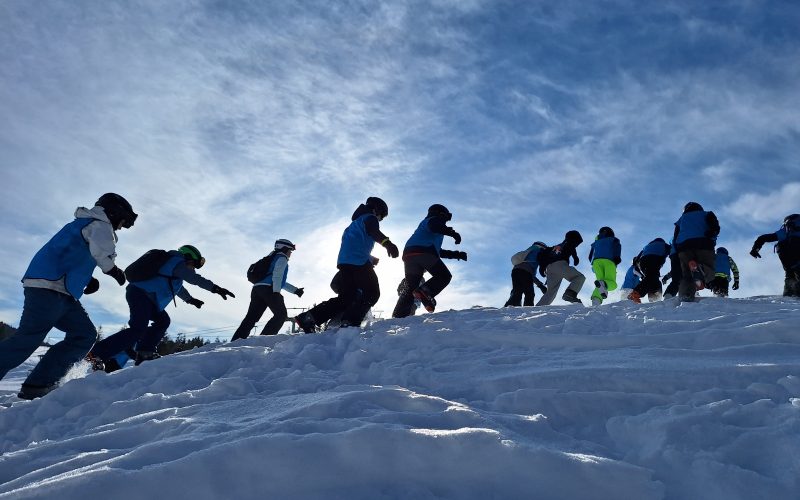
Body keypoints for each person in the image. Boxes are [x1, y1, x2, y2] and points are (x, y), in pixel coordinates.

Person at [0, 193, 136, 399]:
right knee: (28, 338)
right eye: (122, 222)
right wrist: (113, 270)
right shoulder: (100, 224)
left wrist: (85, 279)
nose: (119, 227)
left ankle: (39, 384)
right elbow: (102, 252)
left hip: (61, 289)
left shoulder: (84, 224)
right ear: (114, 213)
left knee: (84, 335)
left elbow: (68, 252)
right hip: (50, 287)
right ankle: (38, 383)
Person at [88, 245, 235, 371]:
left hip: (147, 297)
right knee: (138, 328)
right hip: (141, 294)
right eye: (194, 265)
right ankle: (96, 353)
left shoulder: (173, 266)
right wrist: (216, 288)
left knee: (163, 321)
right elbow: (195, 280)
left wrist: (191, 300)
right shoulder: (178, 262)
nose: (193, 269)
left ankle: (145, 352)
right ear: (188, 258)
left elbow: (178, 288)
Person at [295, 197, 399, 332]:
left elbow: (353, 245)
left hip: (345, 263)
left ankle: (309, 317)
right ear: (376, 209)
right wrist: (388, 244)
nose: (381, 219)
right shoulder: (370, 218)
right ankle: (350, 322)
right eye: (382, 215)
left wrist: (370, 258)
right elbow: (374, 232)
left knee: (346, 298)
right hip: (358, 262)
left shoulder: (354, 224)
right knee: (372, 293)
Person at [392, 204, 467, 317]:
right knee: (444, 276)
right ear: (441, 214)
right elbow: (434, 226)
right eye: (446, 218)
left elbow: (438, 252)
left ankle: (398, 316)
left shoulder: (425, 228)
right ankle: (426, 291)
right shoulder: (434, 220)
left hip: (409, 254)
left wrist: (457, 255)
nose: (446, 222)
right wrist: (453, 233)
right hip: (423, 252)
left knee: (411, 288)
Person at [231, 239, 303, 341]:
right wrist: (276, 293)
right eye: (290, 250)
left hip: (257, 289)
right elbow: (277, 276)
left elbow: (277, 279)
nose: (291, 253)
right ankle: (263, 340)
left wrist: (295, 290)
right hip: (269, 290)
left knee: (251, 317)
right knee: (281, 315)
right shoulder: (282, 259)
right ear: (285, 248)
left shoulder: (270, 258)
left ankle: (236, 340)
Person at [673, 202, 720, 302]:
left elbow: (675, 237)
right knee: (710, 271)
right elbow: (715, 227)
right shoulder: (707, 214)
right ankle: (700, 268)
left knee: (686, 275)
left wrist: (678, 251)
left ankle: (685, 296)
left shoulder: (681, 219)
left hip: (683, 247)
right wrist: (712, 234)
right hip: (704, 244)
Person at [750, 214, 800, 297]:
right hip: (797, 259)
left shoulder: (783, 232)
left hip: (787, 260)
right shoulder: (795, 231)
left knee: (790, 276)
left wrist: (755, 250)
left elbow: (762, 238)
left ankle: (788, 297)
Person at [536, 230, 585, 305]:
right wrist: (575, 257)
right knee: (579, 277)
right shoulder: (569, 242)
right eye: (577, 242)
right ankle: (570, 294)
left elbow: (542, 256)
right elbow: (571, 247)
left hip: (549, 269)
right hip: (560, 265)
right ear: (574, 239)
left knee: (550, 293)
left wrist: (542, 268)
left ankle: (538, 308)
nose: (577, 245)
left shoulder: (554, 248)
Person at [504, 242, 548, 307]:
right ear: (542, 247)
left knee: (517, 291)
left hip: (515, 271)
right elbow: (529, 274)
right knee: (529, 293)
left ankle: (510, 307)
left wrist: (540, 285)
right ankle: (528, 309)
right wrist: (541, 285)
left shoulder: (528, 252)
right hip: (525, 272)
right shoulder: (538, 251)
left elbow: (529, 274)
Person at [628, 238, 671, 303]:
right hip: (654, 260)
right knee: (651, 277)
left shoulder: (646, 246)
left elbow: (637, 259)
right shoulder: (663, 245)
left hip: (642, 263)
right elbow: (673, 250)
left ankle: (654, 298)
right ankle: (636, 293)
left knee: (654, 279)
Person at [588, 227, 622, 305]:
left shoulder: (595, 242)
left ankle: (596, 300)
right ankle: (597, 297)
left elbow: (590, 256)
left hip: (596, 263)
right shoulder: (614, 239)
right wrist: (617, 259)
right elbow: (617, 249)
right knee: (613, 284)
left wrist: (593, 265)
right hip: (609, 261)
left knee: (601, 285)